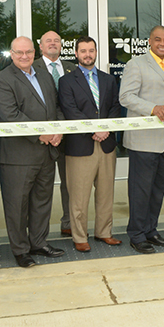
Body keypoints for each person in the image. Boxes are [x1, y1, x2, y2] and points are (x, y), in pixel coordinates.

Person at [0, 36, 65, 267]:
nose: (24, 57)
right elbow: (9, 115)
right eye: (19, 53)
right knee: (17, 205)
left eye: (29, 52)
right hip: (18, 155)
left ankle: (39, 243)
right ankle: (21, 250)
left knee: (42, 201)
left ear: (35, 52)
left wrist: (59, 131)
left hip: (46, 153)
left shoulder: (43, 75)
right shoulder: (2, 79)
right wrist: (41, 134)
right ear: (11, 54)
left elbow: (56, 107)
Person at [119, 26, 164, 254]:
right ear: (149, 41)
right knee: (140, 190)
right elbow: (125, 97)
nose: (163, 43)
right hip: (143, 140)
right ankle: (136, 234)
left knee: (158, 189)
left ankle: (150, 230)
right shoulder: (136, 64)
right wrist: (151, 108)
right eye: (158, 39)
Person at [59, 37, 123, 253]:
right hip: (80, 146)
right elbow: (70, 110)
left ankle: (104, 232)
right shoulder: (66, 81)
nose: (88, 54)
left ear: (96, 52)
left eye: (91, 50)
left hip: (106, 145)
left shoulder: (108, 80)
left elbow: (115, 107)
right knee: (79, 195)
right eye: (83, 51)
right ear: (76, 54)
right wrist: (93, 129)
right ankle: (79, 236)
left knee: (106, 193)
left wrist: (106, 129)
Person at [38, 30, 76, 237]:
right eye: (48, 41)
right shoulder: (31, 66)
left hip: (68, 135)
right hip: (41, 138)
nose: (53, 44)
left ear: (61, 46)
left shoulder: (71, 68)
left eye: (56, 41)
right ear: (40, 46)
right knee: (41, 185)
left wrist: (62, 129)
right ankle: (38, 231)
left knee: (69, 183)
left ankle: (68, 222)